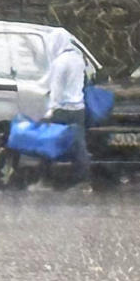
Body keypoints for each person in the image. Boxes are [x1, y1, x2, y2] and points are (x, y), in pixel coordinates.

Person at [43, 29, 91, 185]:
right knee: (78, 145)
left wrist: (51, 109)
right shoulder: (78, 59)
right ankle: (82, 177)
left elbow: (56, 88)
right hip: (78, 109)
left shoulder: (59, 62)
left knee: (51, 143)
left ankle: (47, 178)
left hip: (62, 110)